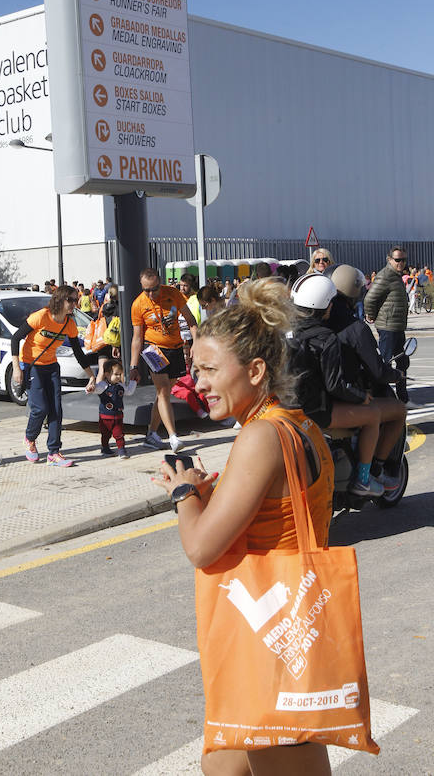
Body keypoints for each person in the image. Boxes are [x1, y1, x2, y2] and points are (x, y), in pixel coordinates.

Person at [153, 278, 334, 776]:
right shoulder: (300, 425)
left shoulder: (259, 437)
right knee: (224, 765)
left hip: (269, 642)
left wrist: (183, 492)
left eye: (210, 370)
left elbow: (202, 548)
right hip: (283, 631)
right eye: (195, 370)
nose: (198, 384)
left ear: (256, 371)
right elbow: (275, 514)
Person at [289, 272, 403, 497]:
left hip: (287, 406)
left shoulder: (286, 332)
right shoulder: (330, 335)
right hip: (318, 409)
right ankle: (365, 478)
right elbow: (336, 385)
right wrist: (362, 396)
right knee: (374, 414)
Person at [328, 265, 407, 488]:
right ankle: (372, 470)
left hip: (310, 401)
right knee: (398, 411)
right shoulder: (354, 328)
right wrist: (398, 375)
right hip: (340, 401)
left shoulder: (309, 324)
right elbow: (378, 371)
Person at [11, 284, 96, 467]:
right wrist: (17, 368)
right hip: (33, 366)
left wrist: (91, 376)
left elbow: (78, 353)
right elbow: (15, 338)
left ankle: (54, 452)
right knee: (40, 408)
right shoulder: (41, 316)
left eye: (76, 300)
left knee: (56, 409)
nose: (74, 303)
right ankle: (30, 438)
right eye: (71, 300)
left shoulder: (69, 324)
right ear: (60, 299)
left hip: (51, 367)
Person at [130, 267, 198, 452]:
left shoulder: (173, 294)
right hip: (152, 349)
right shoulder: (138, 304)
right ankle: (173, 436)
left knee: (163, 395)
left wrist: (196, 344)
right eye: (146, 290)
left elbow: (191, 320)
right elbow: (137, 337)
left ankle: (151, 433)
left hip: (175, 347)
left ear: (160, 283)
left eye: (154, 289)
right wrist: (133, 366)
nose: (151, 293)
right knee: (164, 390)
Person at [364, 247, 409, 402]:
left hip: (397, 327)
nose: (401, 263)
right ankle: (382, 395)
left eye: (403, 259)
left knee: (403, 361)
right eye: (397, 260)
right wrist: (372, 316)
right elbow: (370, 299)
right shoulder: (386, 276)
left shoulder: (397, 276)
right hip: (388, 326)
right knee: (385, 363)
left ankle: (402, 394)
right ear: (389, 259)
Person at [95, 358, 136, 458]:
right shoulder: (102, 385)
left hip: (118, 416)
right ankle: (105, 448)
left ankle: (121, 450)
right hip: (105, 417)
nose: (119, 377)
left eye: (120, 374)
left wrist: (133, 382)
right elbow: (95, 389)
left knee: (119, 434)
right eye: (116, 374)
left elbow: (129, 392)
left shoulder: (120, 386)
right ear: (107, 374)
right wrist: (90, 388)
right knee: (105, 434)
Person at [178, 274, 201, 372]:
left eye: (185, 286)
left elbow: (194, 322)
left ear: (191, 287)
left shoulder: (195, 301)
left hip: (191, 339)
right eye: (181, 285)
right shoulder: (179, 298)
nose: (182, 288)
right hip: (183, 339)